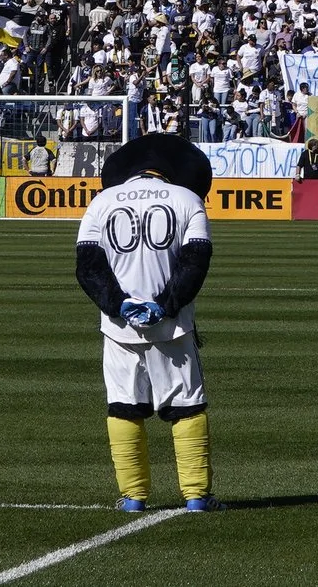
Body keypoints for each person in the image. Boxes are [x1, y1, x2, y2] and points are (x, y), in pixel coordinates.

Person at [75, 138, 219, 513]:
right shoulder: (189, 200)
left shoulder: (101, 202)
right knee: (186, 407)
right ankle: (196, 497)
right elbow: (195, 263)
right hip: (173, 326)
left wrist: (118, 304)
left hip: (118, 328)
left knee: (123, 406)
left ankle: (133, 498)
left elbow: (88, 267)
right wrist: (165, 305)